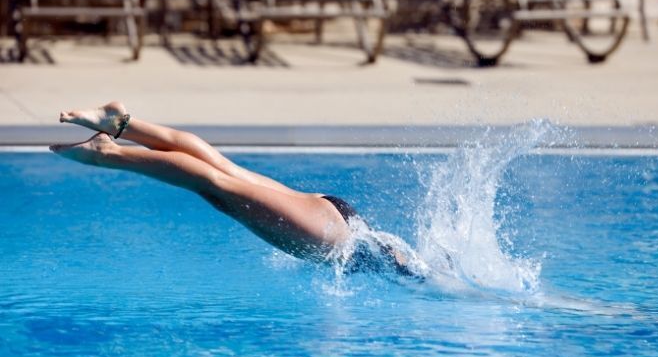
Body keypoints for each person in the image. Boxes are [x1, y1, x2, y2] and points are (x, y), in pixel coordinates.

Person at [50, 102, 425, 279]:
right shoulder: (432, 276)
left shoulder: (426, 258)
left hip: (334, 214)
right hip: (329, 237)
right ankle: (110, 153)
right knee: (217, 185)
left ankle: (122, 123)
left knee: (224, 173)